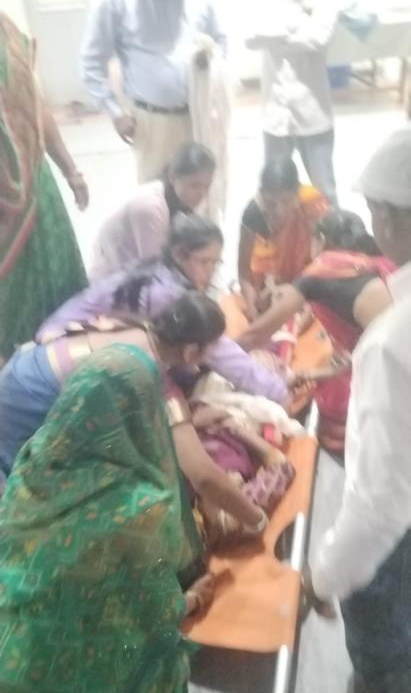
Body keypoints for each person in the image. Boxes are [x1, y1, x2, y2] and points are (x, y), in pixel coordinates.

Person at [0, 341, 219, 693]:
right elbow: (158, 615)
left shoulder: (32, 464)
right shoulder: (140, 508)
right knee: (163, 671)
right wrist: (193, 599)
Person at [0, 292, 269, 540]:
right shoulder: (152, 376)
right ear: (191, 352)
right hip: (32, 408)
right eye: (211, 350)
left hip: (18, 373)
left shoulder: (132, 327)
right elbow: (204, 476)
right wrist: (256, 520)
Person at [305, 128, 411, 693]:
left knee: (389, 669)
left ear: (388, 217)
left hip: (399, 544)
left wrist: (322, 577)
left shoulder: (392, 340)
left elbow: (379, 505)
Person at [38, 214, 290, 404]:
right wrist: (278, 392)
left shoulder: (161, 271)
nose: (211, 271)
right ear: (179, 254)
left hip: (63, 342)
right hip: (61, 353)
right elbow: (220, 351)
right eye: (205, 262)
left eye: (216, 262)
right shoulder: (166, 294)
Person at [239, 209, 395, 451]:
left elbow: (256, 334)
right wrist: (311, 373)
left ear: (320, 239)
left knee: (332, 403)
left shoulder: (323, 268)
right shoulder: (381, 261)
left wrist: (218, 357)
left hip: (386, 375)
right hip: (396, 361)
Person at [81, 0, 226, 183]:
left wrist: (211, 60)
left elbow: (221, 42)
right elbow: (91, 62)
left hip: (198, 117)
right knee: (157, 196)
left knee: (201, 194)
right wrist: (115, 113)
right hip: (152, 124)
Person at [0, 13, 88, 362]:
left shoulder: (7, 34)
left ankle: (54, 369)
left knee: (56, 290)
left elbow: (36, 107)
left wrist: (71, 170)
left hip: (36, 189)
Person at [246, 0, 339, 205]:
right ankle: (282, 236)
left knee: (325, 194)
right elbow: (250, 36)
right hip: (275, 111)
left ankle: (332, 235)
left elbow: (320, 38)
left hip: (313, 110)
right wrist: (299, 24)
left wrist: (274, 34)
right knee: (274, 194)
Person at [90, 143, 216, 280]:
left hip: (137, 277)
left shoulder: (179, 204)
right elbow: (155, 272)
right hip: (114, 281)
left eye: (206, 186)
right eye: (194, 185)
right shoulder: (150, 208)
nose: (201, 193)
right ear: (173, 177)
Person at [239, 156, 328, 321]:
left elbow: (323, 261)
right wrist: (252, 307)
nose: (279, 211)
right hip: (268, 288)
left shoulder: (311, 202)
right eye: (271, 203)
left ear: (297, 192)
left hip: (307, 285)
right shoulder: (253, 213)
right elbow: (244, 272)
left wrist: (305, 297)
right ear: (262, 194)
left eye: (286, 201)